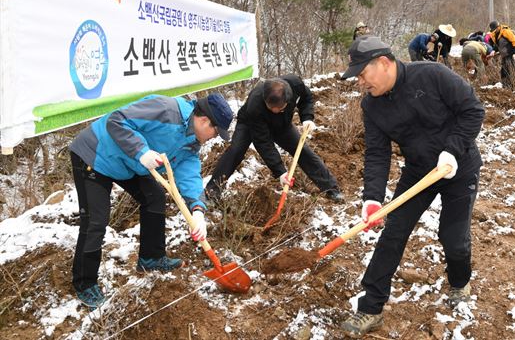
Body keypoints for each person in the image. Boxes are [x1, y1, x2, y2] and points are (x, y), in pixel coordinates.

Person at [339, 36, 484, 337]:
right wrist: (372, 199)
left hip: (459, 164)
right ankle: (371, 307)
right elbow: (377, 153)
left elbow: (472, 110)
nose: (361, 83)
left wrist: (453, 150)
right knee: (393, 232)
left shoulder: (432, 75)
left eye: (363, 74)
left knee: (453, 237)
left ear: (383, 63)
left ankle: (459, 281)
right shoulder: (372, 105)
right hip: (419, 171)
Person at [68, 93, 232, 309]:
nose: (214, 137)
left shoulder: (192, 142)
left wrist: (198, 209)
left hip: (129, 163)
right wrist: (141, 151)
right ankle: (84, 283)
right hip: (96, 154)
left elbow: (189, 173)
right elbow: (116, 120)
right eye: (215, 131)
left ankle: (151, 258)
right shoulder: (165, 110)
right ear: (203, 121)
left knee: (154, 196)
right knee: (96, 221)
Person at [206, 75, 343, 202]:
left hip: (282, 125)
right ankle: (212, 190)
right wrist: (280, 172)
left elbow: (306, 99)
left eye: (279, 108)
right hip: (250, 124)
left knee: (302, 151)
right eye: (271, 108)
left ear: (287, 100)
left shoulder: (295, 84)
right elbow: (263, 143)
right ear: (265, 99)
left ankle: (331, 188)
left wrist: (307, 117)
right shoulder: (255, 104)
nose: (275, 111)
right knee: (235, 151)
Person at [488, 20, 515, 88]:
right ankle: (505, 85)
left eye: (495, 29)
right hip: (504, 55)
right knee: (503, 72)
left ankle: (510, 87)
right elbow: (497, 44)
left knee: (508, 70)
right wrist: (494, 50)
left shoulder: (506, 31)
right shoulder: (494, 34)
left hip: (510, 53)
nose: (494, 31)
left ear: (498, 27)